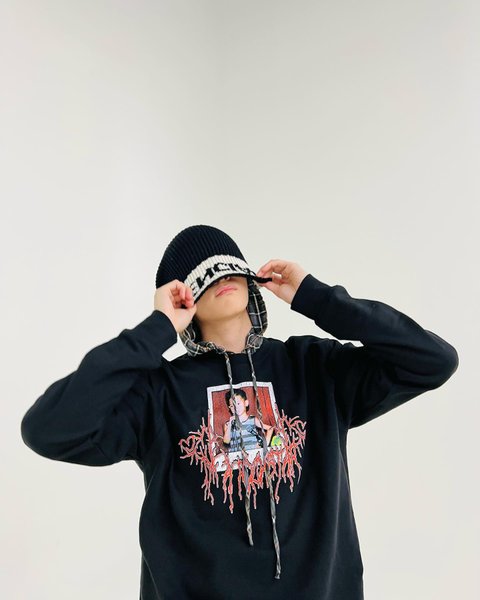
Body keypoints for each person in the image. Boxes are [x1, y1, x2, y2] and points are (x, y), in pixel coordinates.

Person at [20, 224, 459, 599]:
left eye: (227, 267)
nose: (220, 278)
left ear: (250, 280)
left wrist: (315, 297)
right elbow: (47, 429)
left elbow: (433, 360)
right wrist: (157, 330)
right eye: (202, 276)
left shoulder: (313, 368)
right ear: (184, 300)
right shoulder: (158, 392)